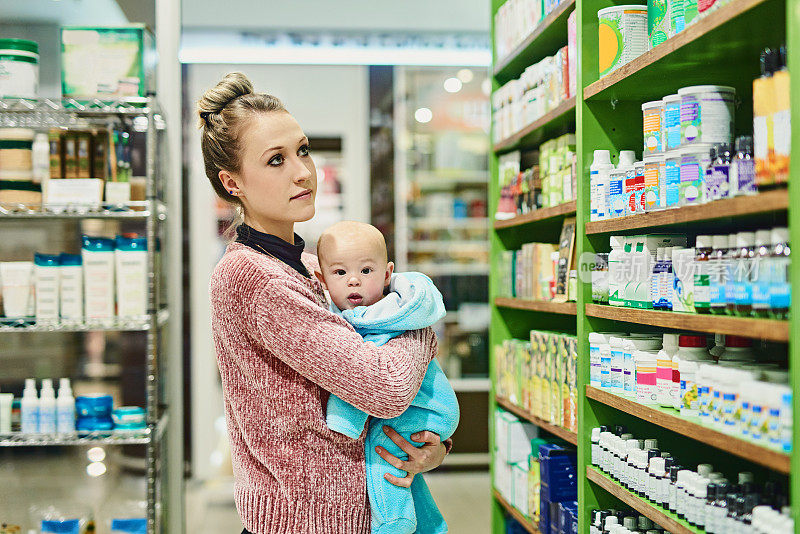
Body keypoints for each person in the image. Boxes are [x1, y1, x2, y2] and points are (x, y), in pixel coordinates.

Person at [199, 72, 451, 534]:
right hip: (307, 522)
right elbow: (386, 386)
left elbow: (380, 386)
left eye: (303, 150)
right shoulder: (254, 278)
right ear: (231, 181)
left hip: (351, 512)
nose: (302, 171)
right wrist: (417, 317)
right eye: (276, 160)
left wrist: (430, 443)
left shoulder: (310, 264)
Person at [315, 220, 460, 534]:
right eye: (340, 273)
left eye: (366, 271)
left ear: (386, 273)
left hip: (428, 409)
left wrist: (345, 421)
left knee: (382, 451)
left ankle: (395, 524)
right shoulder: (346, 314)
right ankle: (430, 525)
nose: (353, 280)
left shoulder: (383, 315)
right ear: (322, 278)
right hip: (416, 410)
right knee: (404, 466)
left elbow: (366, 378)